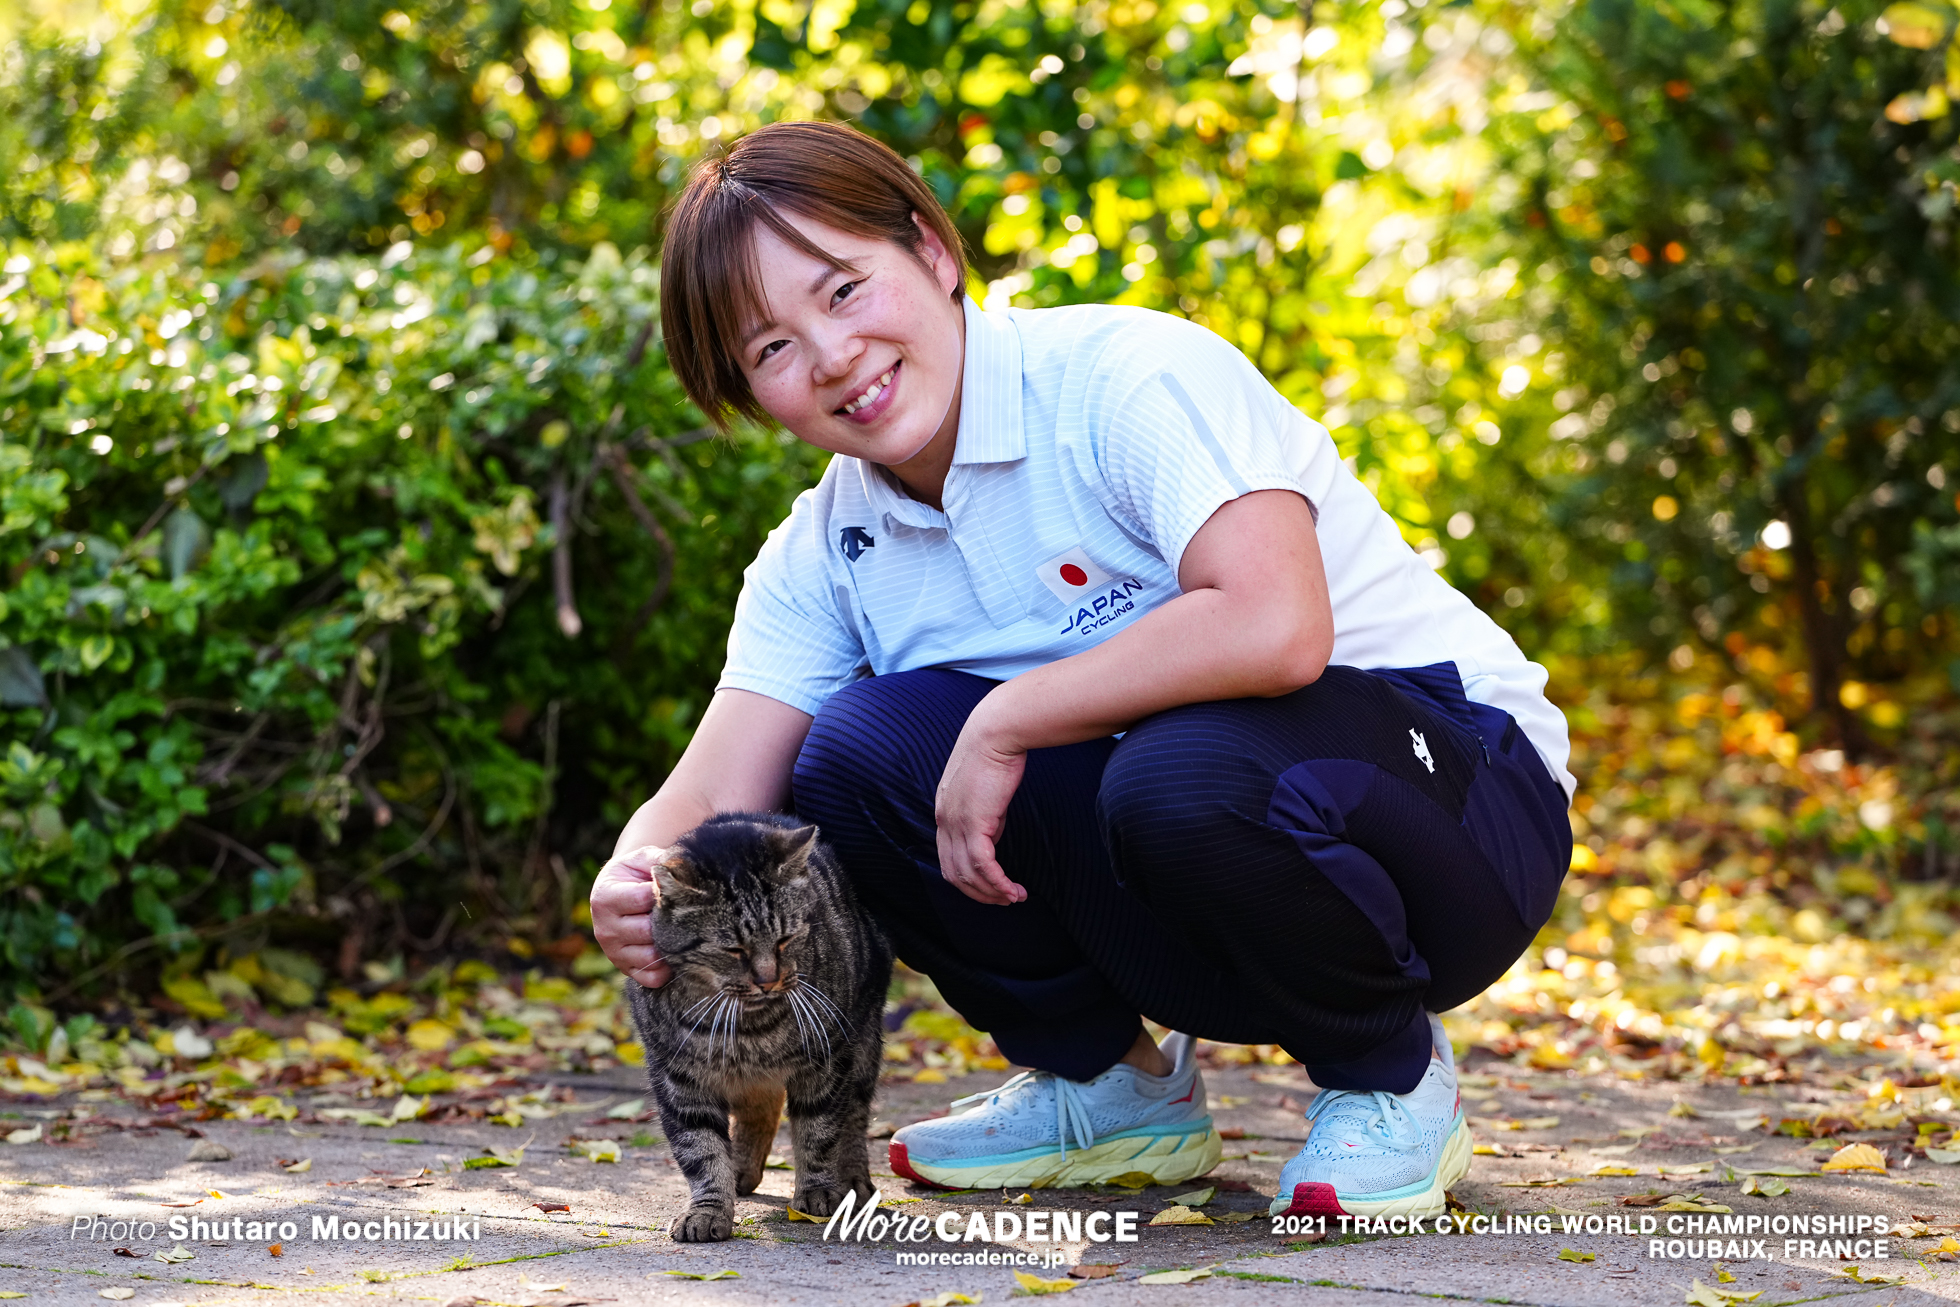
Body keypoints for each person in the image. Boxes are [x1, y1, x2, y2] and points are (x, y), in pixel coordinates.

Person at [590, 120, 1574, 1220]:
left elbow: (1276, 623)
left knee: (1173, 769)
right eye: (768, 347)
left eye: (843, 290)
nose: (827, 355)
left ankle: (1391, 1076)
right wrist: (632, 875)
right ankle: (1113, 1085)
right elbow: (721, 781)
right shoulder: (827, 546)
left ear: (932, 251)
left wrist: (1009, 716)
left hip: (1465, 811)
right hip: (1192, 865)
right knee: (857, 756)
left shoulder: (1122, 379)